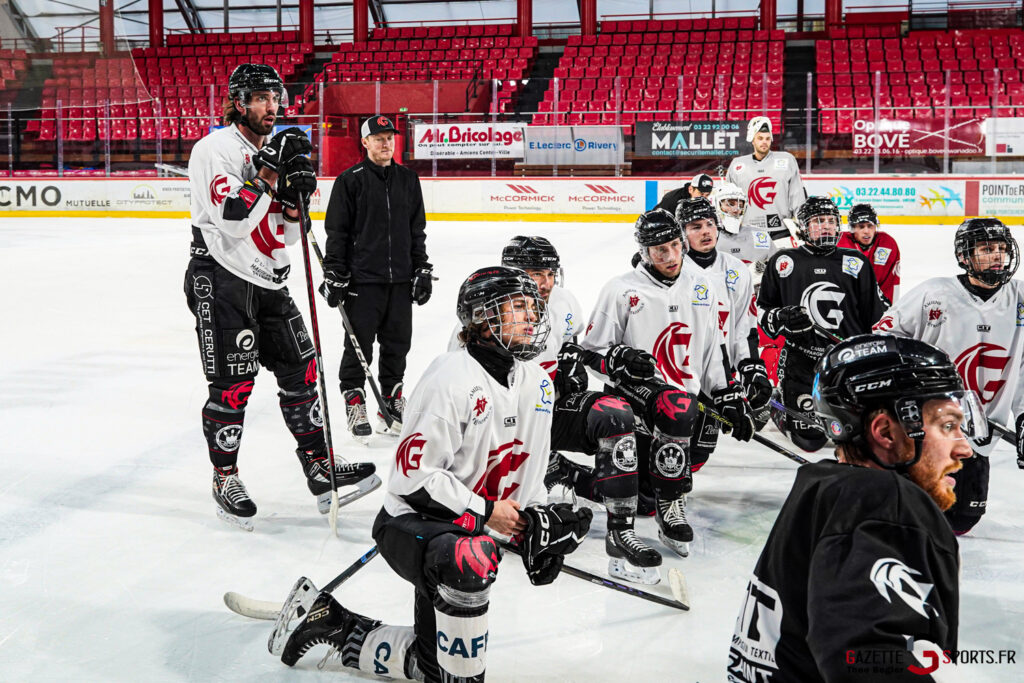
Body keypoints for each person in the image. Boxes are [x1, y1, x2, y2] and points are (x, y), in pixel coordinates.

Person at [272, 267, 593, 682]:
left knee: (434, 669)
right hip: (414, 520)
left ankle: (333, 624)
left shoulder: (539, 383)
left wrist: (534, 521)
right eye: (518, 307)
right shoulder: (451, 379)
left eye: (533, 307)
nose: (532, 316)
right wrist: (485, 512)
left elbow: (527, 476)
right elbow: (413, 481)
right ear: (482, 319)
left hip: (471, 522)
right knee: (469, 557)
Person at [184, 64, 375, 530]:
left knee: (302, 369)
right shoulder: (216, 149)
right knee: (233, 387)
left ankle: (318, 465)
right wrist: (269, 168)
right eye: (261, 98)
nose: (273, 106)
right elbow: (231, 217)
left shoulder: (276, 152)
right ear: (238, 102)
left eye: (276, 97)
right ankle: (223, 476)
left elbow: (287, 236)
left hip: (270, 280)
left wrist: (295, 200)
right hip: (222, 278)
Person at [728, 334, 982, 682]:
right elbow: (867, 659)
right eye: (947, 426)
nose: (964, 449)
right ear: (886, 432)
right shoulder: (883, 506)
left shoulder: (824, 486)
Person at [464, 236, 663, 584]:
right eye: (534, 273)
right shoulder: (485, 318)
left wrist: (574, 362)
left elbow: (573, 346)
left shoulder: (564, 302)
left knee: (615, 413)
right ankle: (551, 468)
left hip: (548, 411)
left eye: (550, 273)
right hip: (501, 429)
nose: (545, 283)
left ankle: (620, 532)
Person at [581, 208, 754, 558]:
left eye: (676, 246)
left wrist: (726, 394)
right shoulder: (622, 290)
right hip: (634, 401)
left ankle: (667, 496)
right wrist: (619, 363)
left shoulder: (701, 287)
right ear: (645, 252)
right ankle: (659, 498)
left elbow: (710, 349)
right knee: (639, 493)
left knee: (665, 473)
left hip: (685, 403)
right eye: (661, 250)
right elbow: (591, 352)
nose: (671, 257)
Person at [873, 217, 1024, 535]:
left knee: (961, 521)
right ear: (964, 257)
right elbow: (882, 338)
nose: (997, 255)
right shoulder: (934, 293)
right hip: (927, 430)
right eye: (986, 248)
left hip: (980, 438)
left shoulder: (1020, 298)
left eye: (1001, 248)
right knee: (911, 518)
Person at [319, 114, 432, 443]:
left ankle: (392, 399)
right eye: (378, 137)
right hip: (362, 282)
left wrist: (421, 268)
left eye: (389, 137)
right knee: (358, 347)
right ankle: (355, 400)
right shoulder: (350, 180)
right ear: (365, 142)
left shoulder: (408, 180)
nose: (386, 142)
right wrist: (336, 273)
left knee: (398, 345)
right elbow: (336, 233)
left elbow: (417, 231)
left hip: (399, 281)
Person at [757, 196, 888, 452]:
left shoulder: (856, 262)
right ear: (803, 227)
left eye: (830, 221)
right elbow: (763, 311)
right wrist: (781, 317)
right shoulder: (783, 261)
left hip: (846, 361)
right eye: (818, 221)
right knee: (809, 440)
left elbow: (877, 317)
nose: (826, 226)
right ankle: (779, 402)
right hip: (801, 360)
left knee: (855, 436)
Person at [678, 198, 773, 465]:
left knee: (698, 453)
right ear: (681, 232)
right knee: (668, 444)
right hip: (681, 374)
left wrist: (751, 367)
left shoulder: (736, 270)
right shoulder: (675, 271)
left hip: (720, 377)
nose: (706, 231)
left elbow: (745, 326)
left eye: (710, 224)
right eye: (695, 226)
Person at [726, 116, 805, 250]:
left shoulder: (787, 160)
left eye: (768, 139)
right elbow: (729, 201)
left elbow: (797, 196)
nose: (764, 142)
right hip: (748, 231)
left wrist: (801, 225)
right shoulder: (737, 165)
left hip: (782, 231)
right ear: (752, 139)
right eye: (760, 138)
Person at [838, 203, 902, 304]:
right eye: (861, 227)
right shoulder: (839, 242)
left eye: (870, 226)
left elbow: (891, 282)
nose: (866, 231)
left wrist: (889, 308)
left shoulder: (887, 244)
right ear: (852, 228)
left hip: (877, 305)